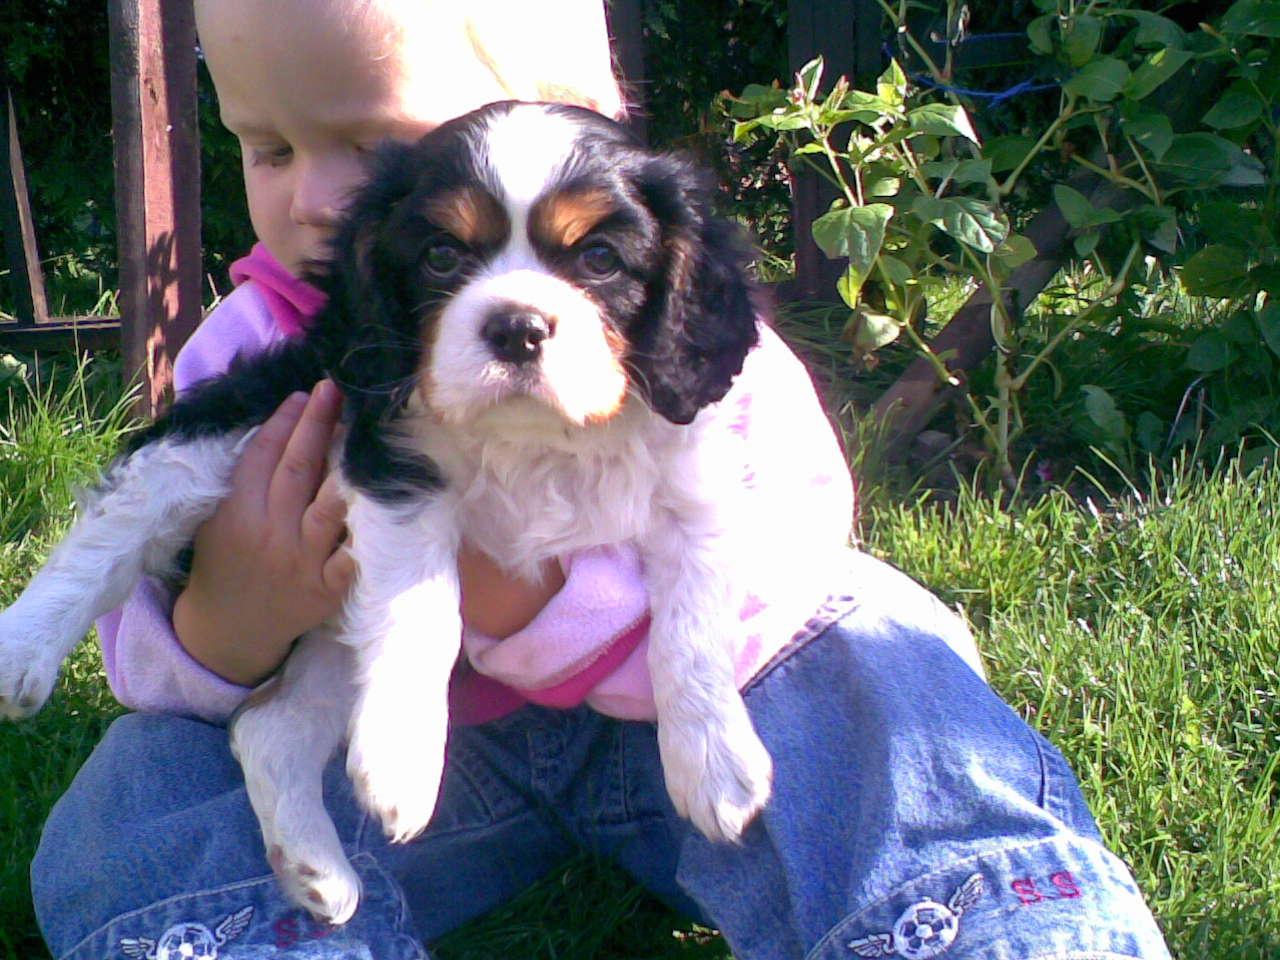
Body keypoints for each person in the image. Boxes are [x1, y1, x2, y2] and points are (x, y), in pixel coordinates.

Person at [30, 2, 1174, 958]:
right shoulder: (260, 345)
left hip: (690, 719)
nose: (324, 199)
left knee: (878, 660)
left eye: (379, 146)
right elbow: (151, 651)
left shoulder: (697, 338)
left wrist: (550, 619)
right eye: (269, 149)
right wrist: (227, 624)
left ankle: (984, 911)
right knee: (145, 794)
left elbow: (792, 555)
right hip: (405, 762)